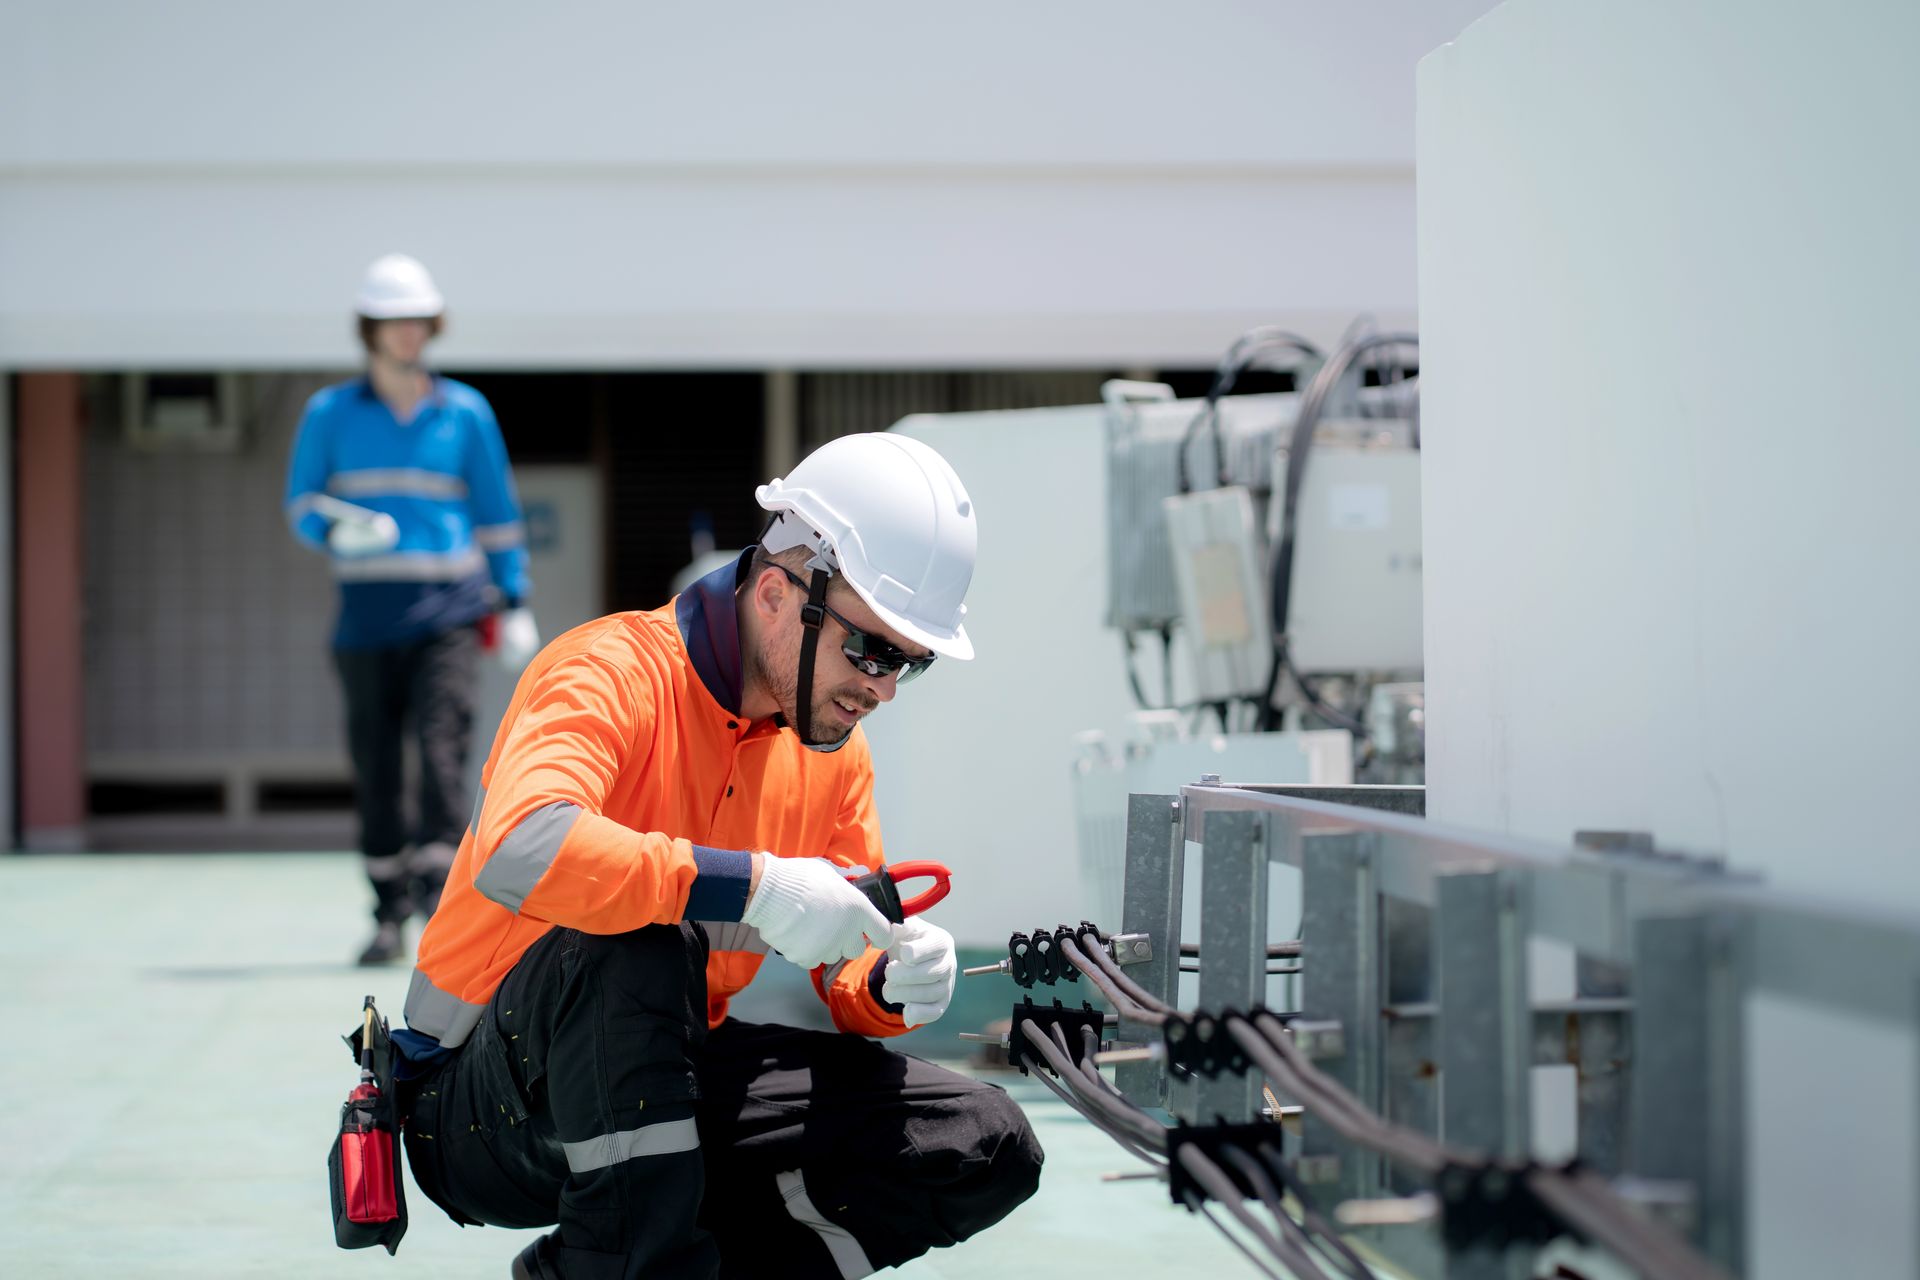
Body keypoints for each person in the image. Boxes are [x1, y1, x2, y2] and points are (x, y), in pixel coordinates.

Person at [392, 432, 1043, 1279]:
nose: (881, 688)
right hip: (476, 1105)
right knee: (640, 937)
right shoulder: (606, 671)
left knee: (980, 1143)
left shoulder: (836, 756)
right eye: (872, 651)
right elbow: (521, 844)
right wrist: (755, 886)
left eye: (907, 666)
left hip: (662, 1068)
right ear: (776, 594)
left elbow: (845, 964)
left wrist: (885, 983)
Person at [285, 253, 541, 966]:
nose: (407, 335)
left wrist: (513, 597)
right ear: (370, 329)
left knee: (442, 759)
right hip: (365, 618)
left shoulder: (463, 412)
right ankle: (386, 911)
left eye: (418, 323)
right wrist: (335, 528)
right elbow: (301, 504)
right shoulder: (329, 413)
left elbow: (496, 515)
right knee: (376, 767)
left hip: (450, 613)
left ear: (432, 328)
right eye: (393, 323)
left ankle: (440, 904)